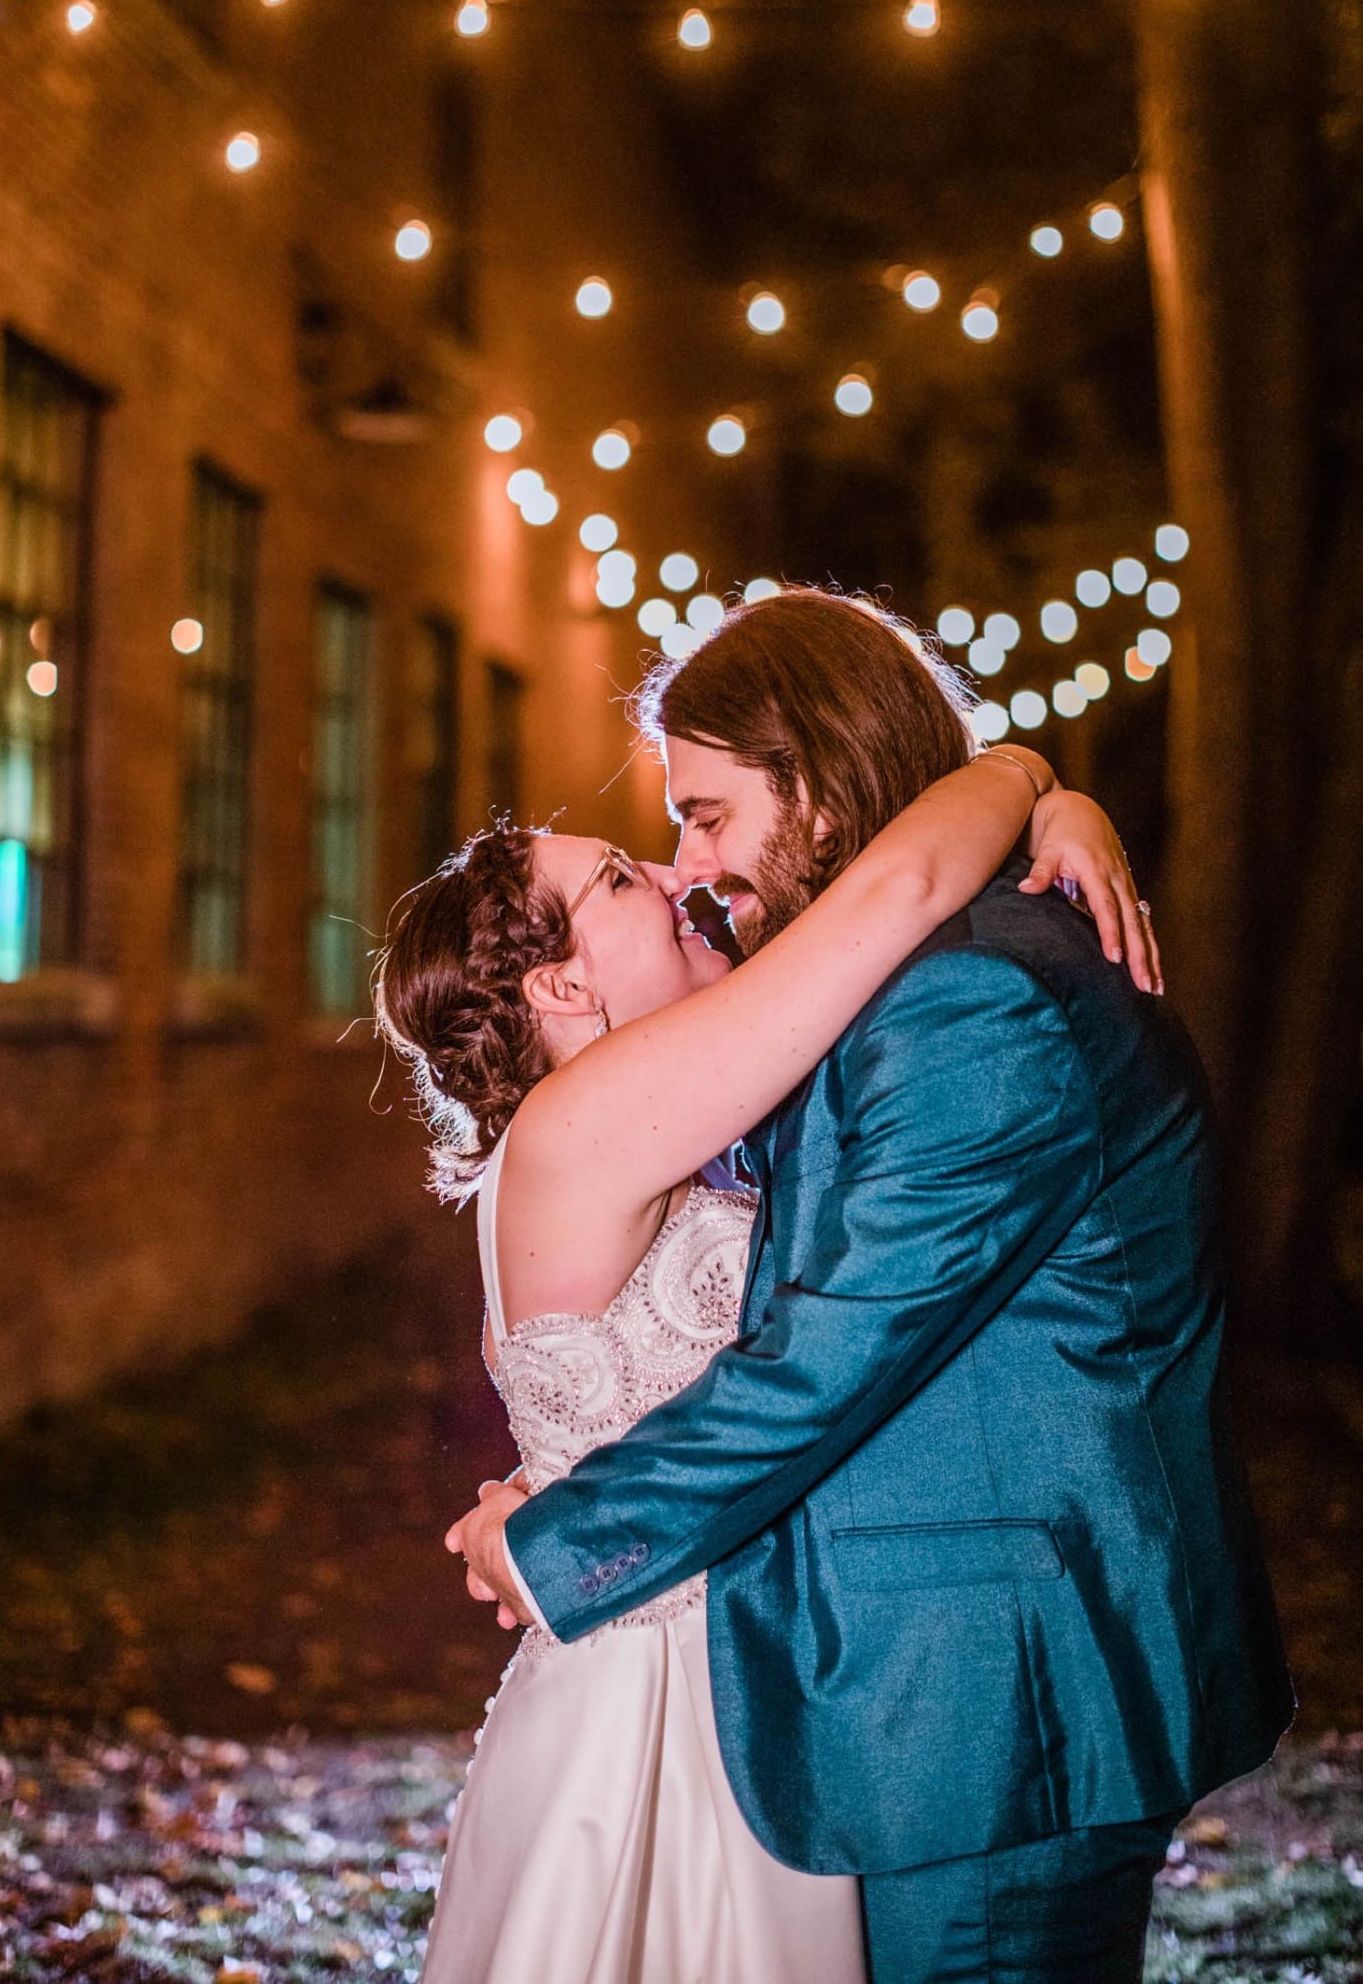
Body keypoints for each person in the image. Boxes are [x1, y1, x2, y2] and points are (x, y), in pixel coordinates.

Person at [449, 589, 1294, 1984]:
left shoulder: (968, 998)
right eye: (650, 853)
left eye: (707, 815)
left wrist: (560, 1540)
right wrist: (1034, 784)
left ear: (825, 789)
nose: (686, 864)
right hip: (878, 1686)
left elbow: (831, 1351)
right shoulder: (886, 984)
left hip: (1005, 1698)